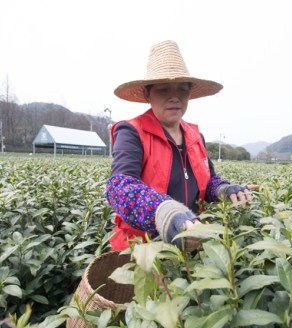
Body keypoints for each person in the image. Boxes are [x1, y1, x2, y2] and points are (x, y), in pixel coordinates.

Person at [106, 40, 258, 252]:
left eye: (182, 88)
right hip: (143, 251)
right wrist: (163, 210)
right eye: (163, 88)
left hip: (191, 245)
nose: (174, 97)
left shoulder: (195, 136)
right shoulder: (132, 132)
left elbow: (208, 183)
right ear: (148, 94)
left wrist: (224, 189)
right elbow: (119, 188)